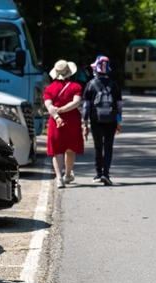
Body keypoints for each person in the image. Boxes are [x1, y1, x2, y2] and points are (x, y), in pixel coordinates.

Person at [81, 55, 122, 186]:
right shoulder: (114, 85)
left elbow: (86, 106)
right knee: (108, 146)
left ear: (96, 69)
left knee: (98, 146)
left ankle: (98, 174)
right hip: (111, 119)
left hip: (96, 119)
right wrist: (118, 121)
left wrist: (85, 123)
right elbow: (119, 105)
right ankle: (106, 173)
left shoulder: (90, 84)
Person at [44, 59, 84, 188]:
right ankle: (67, 175)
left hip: (55, 122)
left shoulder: (49, 89)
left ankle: (59, 178)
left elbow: (49, 106)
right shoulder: (76, 87)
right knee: (70, 149)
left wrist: (57, 116)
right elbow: (76, 102)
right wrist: (63, 109)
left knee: (58, 150)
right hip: (72, 120)